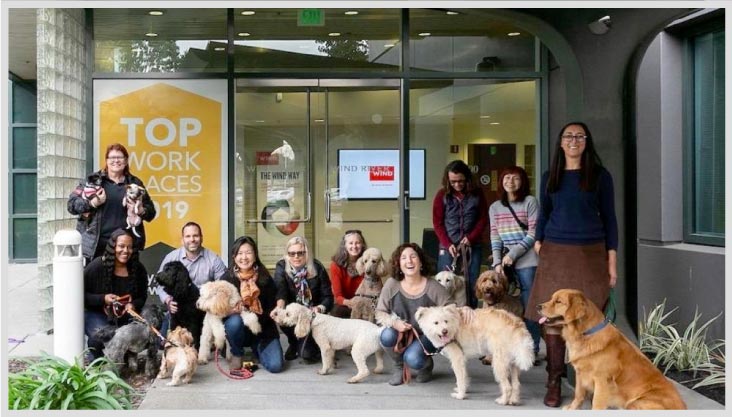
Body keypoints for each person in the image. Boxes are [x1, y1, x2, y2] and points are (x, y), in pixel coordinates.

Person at [526, 121, 618, 408]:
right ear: (561, 142)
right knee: (553, 318)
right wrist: (539, 242)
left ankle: (589, 382)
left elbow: (611, 220)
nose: (574, 140)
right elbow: (544, 214)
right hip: (555, 252)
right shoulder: (549, 176)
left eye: (580, 136)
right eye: (569, 136)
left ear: (587, 141)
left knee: (588, 321)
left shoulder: (600, 177)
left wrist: (611, 264)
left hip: (591, 253)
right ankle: (554, 380)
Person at [67, 143, 156, 264]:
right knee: (95, 280)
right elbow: (72, 205)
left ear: (126, 161)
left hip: (126, 245)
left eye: (120, 158)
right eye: (112, 158)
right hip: (96, 244)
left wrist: (141, 210)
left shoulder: (135, 183)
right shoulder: (93, 180)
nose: (116, 161)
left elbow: (151, 213)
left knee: (125, 282)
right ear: (106, 160)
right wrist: (93, 203)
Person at [375, 243, 449, 386]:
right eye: (403, 258)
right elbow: (380, 313)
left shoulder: (433, 286)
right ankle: (398, 366)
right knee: (386, 335)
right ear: (399, 264)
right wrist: (394, 323)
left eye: (413, 256)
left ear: (420, 262)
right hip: (402, 333)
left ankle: (426, 364)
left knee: (413, 359)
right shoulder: (392, 284)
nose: (409, 261)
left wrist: (465, 311)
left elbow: (451, 309)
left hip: (427, 336)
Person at [488, 166, 541, 360]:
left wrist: (513, 254)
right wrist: (496, 261)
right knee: (503, 306)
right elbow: (495, 236)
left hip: (528, 260)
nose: (510, 181)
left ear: (523, 181)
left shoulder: (530, 202)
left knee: (529, 306)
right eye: (506, 177)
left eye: (515, 178)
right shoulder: (495, 207)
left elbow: (533, 233)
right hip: (505, 262)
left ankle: (532, 349)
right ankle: (505, 349)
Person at [220, 236, 284, 373]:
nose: (244, 257)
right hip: (238, 331)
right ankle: (237, 353)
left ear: (255, 255)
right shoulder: (227, 279)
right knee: (234, 321)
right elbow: (217, 309)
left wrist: (277, 307)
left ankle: (257, 348)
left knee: (276, 366)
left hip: (263, 330)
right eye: (240, 253)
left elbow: (274, 302)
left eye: (248, 253)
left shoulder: (264, 277)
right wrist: (230, 311)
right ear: (234, 256)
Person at [83, 228, 148, 359]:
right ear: (113, 247)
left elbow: (142, 296)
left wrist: (133, 305)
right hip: (97, 314)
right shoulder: (96, 267)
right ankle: (97, 363)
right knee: (100, 336)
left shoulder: (138, 268)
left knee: (144, 333)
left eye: (129, 247)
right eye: (121, 246)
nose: (125, 251)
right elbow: (80, 296)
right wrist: (103, 299)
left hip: (125, 316)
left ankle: (124, 359)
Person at [432, 160, 488, 308]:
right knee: (444, 283)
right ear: (448, 180)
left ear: (467, 178)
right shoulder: (441, 195)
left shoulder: (477, 194)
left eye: (461, 181)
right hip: (447, 246)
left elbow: (483, 219)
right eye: (453, 182)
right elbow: (437, 223)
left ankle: (471, 316)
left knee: (471, 284)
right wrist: (447, 243)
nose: (457, 185)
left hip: (472, 245)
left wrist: (470, 238)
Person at [156, 222, 227, 334]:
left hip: (204, 310)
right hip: (178, 310)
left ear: (201, 238)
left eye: (195, 236)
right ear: (182, 240)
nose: (192, 239)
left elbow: (223, 286)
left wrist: (211, 304)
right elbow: (160, 284)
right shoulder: (172, 257)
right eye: (188, 236)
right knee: (164, 341)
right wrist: (168, 300)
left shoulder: (213, 259)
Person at [271, 236, 333, 363]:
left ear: (307, 253)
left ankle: (312, 344)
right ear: (287, 255)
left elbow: (328, 297)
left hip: (312, 317)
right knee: (282, 316)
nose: (296, 257)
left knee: (307, 355)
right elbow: (280, 291)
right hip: (292, 315)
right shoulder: (282, 266)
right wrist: (279, 308)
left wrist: (319, 308)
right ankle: (293, 342)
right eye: (292, 253)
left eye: (300, 253)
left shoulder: (317, 268)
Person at [329, 229, 368, 318]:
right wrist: (350, 303)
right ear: (345, 246)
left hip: (365, 304)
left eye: (357, 243)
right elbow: (338, 296)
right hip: (345, 304)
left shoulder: (367, 263)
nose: (354, 246)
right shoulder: (335, 266)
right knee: (337, 311)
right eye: (350, 243)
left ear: (362, 245)